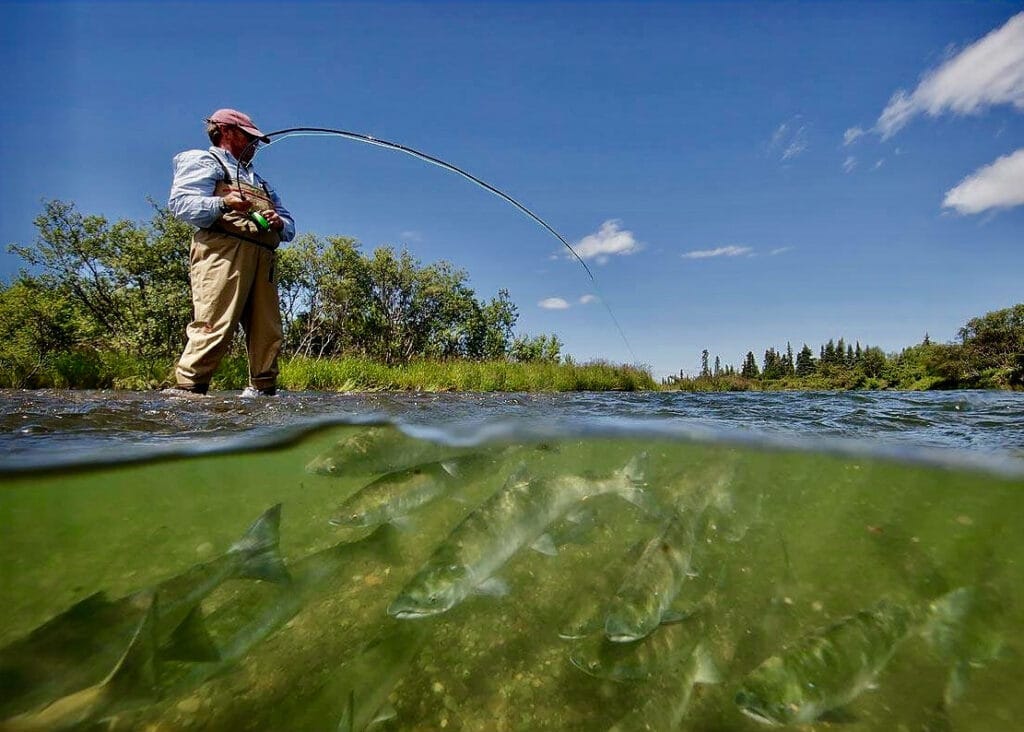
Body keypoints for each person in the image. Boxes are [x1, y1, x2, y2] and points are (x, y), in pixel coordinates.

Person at [165, 108, 295, 397]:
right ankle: (188, 392)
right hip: (222, 251)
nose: (256, 145)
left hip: (265, 259)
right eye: (250, 138)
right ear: (226, 131)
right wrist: (223, 204)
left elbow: (290, 226)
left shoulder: (260, 181)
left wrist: (280, 222)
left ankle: (264, 392)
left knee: (268, 332)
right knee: (214, 324)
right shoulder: (203, 160)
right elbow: (181, 206)